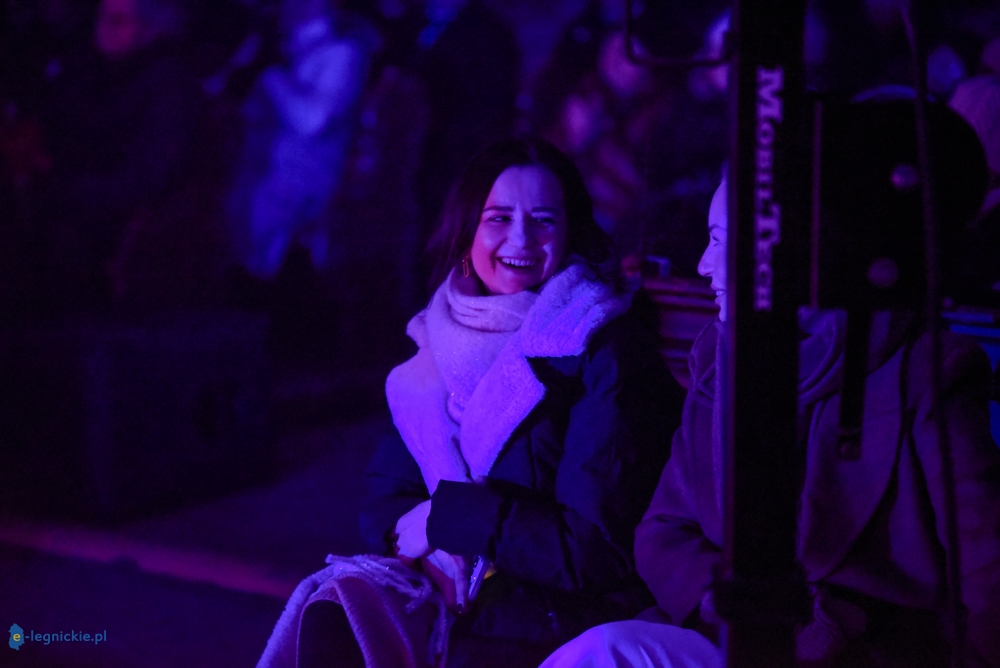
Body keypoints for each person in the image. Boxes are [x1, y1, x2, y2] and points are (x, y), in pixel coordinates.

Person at [255, 137, 684, 668]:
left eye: (543, 220)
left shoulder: (599, 345)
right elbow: (387, 500)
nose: (521, 239)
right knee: (334, 607)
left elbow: (593, 549)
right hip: (450, 597)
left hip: (555, 614)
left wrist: (448, 519)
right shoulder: (437, 336)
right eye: (498, 218)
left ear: (570, 231)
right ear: (467, 231)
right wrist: (429, 544)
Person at [540, 176, 1000, 667]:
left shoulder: (923, 372)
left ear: (795, 250)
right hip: (736, 634)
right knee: (604, 652)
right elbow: (664, 530)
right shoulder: (721, 360)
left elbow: (988, 571)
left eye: (721, 240)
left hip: (865, 655)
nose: (703, 264)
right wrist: (737, 606)